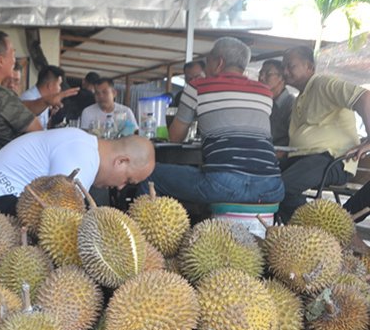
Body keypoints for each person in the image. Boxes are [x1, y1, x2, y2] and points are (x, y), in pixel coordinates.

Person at [140, 37, 284, 206]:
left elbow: (175, 137)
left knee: (148, 174)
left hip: (223, 186)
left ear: (219, 63)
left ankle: (140, 231)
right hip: (272, 187)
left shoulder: (197, 87)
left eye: (207, 61)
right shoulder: (265, 92)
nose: (205, 68)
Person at [0, 129, 154, 218]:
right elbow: (60, 221)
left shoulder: (83, 144)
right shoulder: (83, 156)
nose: (120, 187)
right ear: (121, 161)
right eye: (127, 179)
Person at [278, 45, 370, 222]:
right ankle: (311, 236)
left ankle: (319, 234)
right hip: (305, 159)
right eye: (283, 67)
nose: (285, 71)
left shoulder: (323, 83)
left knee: (283, 188)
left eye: (291, 66)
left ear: (309, 67)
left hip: (332, 159)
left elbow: (364, 97)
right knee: (265, 183)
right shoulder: (299, 99)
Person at [0, 30, 78, 152]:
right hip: (12, 162)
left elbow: (19, 108)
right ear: (0, 61)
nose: (14, 60)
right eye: (12, 54)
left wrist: (46, 101)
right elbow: (38, 131)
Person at [258, 59, 294, 147]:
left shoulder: (291, 105)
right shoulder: (261, 102)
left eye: (268, 74)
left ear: (282, 78)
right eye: (260, 74)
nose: (261, 78)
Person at [20, 65, 65, 130]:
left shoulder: (45, 99)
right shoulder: (29, 98)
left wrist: (51, 115)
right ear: (50, 86)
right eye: (59, 84)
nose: (60, 89)